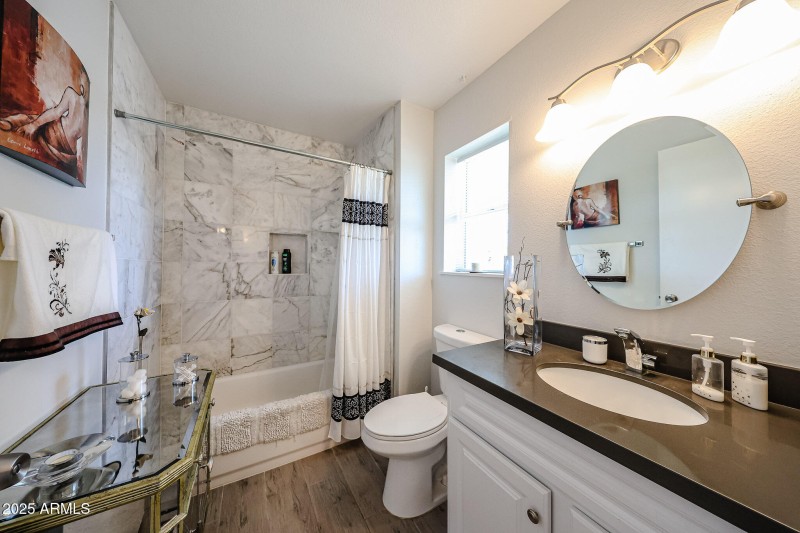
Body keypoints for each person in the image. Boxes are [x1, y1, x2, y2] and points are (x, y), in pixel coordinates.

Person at [0, 69, 89, 174]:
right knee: (40, 121)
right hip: (68, 152)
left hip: (56, 135)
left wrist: (34, 125)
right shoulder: (86, 116)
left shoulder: (73, 95)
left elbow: (56, 112)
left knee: (32, 118)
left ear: (82, 86)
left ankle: (10, 122)